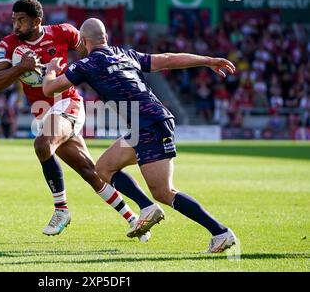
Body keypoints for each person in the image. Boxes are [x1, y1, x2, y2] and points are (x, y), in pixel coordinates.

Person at [42, 18, 238, 253]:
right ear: (106, 37)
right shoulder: (127, 55)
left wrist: (51, 71)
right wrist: (207, 60)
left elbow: (48, 89)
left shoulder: (86, 65)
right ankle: (146, 207)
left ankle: (220, 233)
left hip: (149, 125)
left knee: (164, 192)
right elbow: (167, 59)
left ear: (84, 41)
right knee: (103, 168)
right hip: (148, 123)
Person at [0, 0, 157, 240]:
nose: (16, 25)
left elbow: (91, 53)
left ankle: (61, 210)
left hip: (68, 103)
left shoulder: (63, 33)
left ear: (37, 21)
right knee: (91, 172)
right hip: (44, 112)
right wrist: (21, 67)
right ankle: (136, 217)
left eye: (21, 20)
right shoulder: (8, 44)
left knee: (42, 144)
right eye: (14, 20)